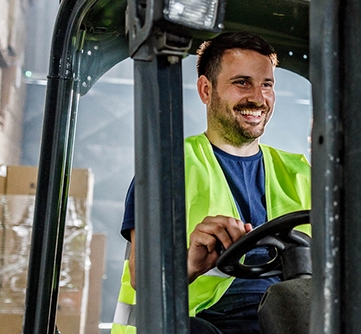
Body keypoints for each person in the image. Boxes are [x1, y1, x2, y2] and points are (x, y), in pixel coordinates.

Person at [112, 32, 311, 334]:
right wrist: (190, 264)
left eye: (266, 85)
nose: (258, 98)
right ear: (206, 89)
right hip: (206, 323)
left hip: (291, 317)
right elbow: (143, 276)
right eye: (242, 82)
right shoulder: (170, 167)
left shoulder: (300, 172)